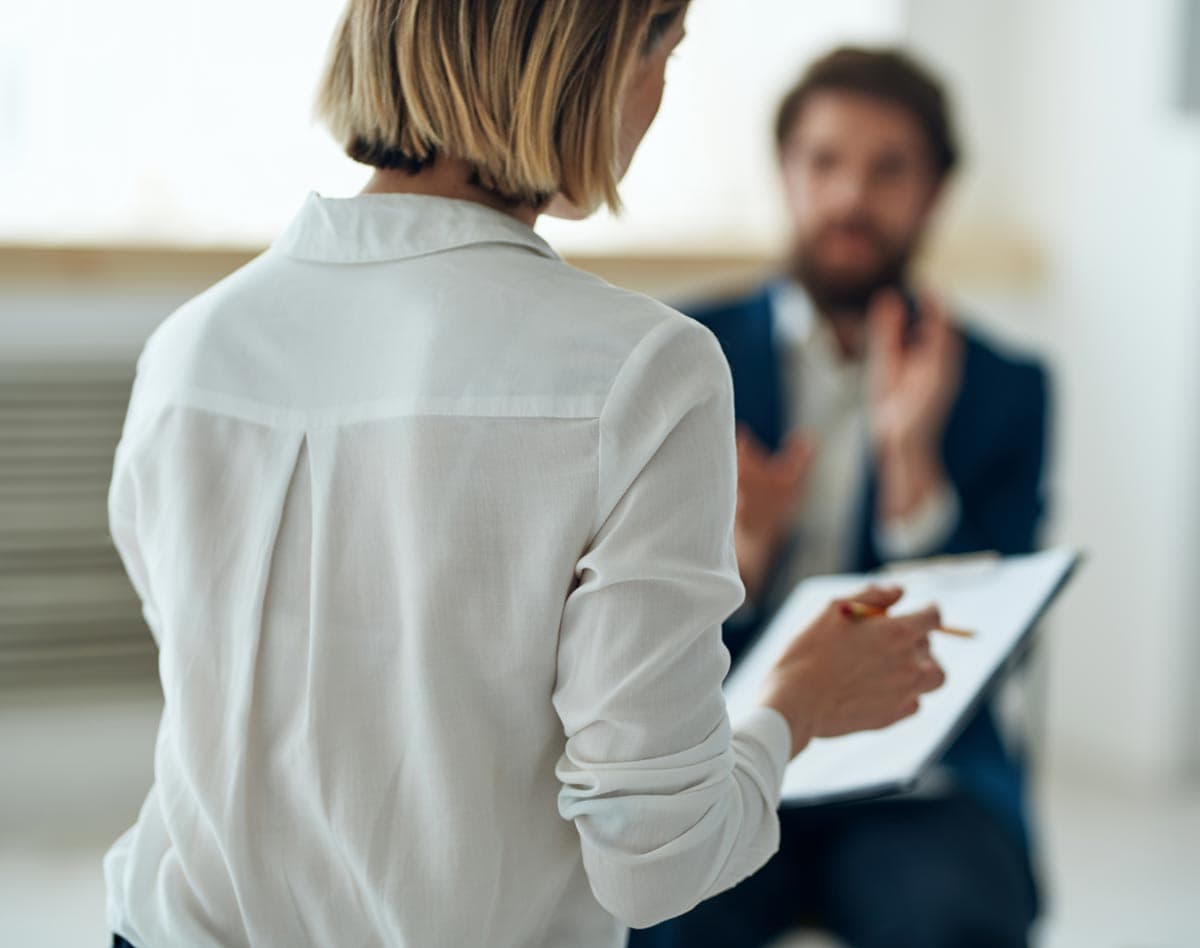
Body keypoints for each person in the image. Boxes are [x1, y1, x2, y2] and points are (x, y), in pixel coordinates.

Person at [103, 8, 948, 948]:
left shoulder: (187, 351)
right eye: (664, 54)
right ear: (588, 67)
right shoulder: (646, 370)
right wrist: (797, 699)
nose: (657, 99)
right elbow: (653, 859)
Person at [630, 47, 1050, 948]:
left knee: (958, 921)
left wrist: (912, 470)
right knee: (663, 920)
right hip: (722, 754)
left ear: (935, 190)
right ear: (786, 173)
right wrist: (736, 566)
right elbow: (617, 634)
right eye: (825, 162)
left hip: (917, 782)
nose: (851, 197)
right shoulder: (675, 352)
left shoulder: (1005, 387)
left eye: (889, 168)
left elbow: (996, 650)